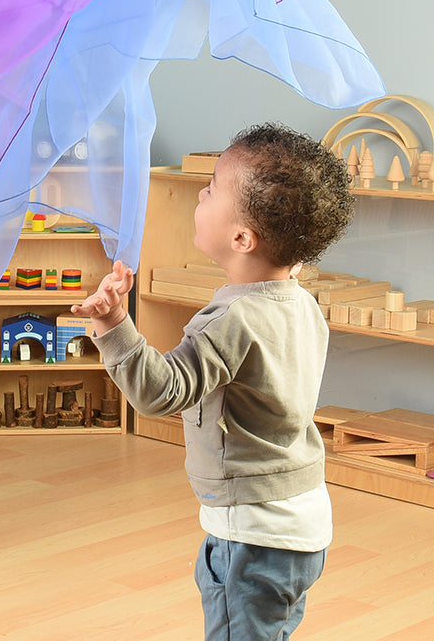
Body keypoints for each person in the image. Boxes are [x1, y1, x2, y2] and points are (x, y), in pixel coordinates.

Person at [71, 123, 354, 641]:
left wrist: (113, 327)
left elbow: (162, 392)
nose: (200, 194)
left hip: (251, 533)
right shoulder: (304, 305)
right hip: (303, 519)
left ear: (241, 238)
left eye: (212, 189)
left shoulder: (228, 321)